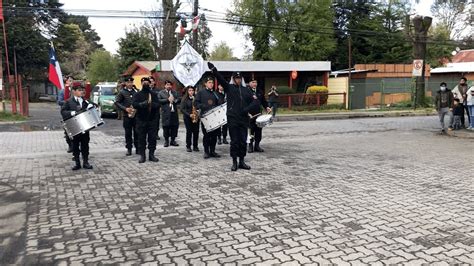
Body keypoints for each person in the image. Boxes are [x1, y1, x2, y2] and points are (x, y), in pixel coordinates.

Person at [208, 62, 256, 171]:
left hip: (244, 119)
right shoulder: (229, 87)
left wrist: (247, 110)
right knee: (234, 141)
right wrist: (214, 69)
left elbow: (255, 102)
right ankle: (234, 162)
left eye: (239, 78)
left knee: (243, 140)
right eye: (236, 78)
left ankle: (242, 161)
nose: (238, 80)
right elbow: (220, 79)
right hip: (232, 118)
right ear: (233, 79)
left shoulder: (246, 90)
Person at [61, 84, 95, 170]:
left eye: (83, 90)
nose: (82, 91)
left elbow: (94, 109)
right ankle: (77, 163)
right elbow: (63, 112)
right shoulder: (68, 102)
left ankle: (86, 162)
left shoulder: (86, 101)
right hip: (74, 127)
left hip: (85, 126)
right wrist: (71, 113)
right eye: (80, 90)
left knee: (85, 145)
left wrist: (92, 107)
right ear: (74, 91)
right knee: (75, 145)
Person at [132, 77, 160, 163]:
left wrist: (152, 104)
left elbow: (158, 104)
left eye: (147, 83)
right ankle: (142, 155)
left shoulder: (153, 94)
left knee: (152, 138)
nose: (146, 84)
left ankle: (151, 155)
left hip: (152, 120)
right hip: (141, 120)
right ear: (141, 84)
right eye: (144, 83)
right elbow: (134, 104)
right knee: (141, 138)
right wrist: (142, 104)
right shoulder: (137, 94)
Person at [195, 76, 221, 159]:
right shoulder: (201, 93)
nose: (211, 84)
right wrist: (203, 106)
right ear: (205, 83)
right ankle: (206, 151)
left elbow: (219, 104)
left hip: (214, 117)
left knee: (214, 135)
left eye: (212, 82)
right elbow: (195, 103)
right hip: (205, 117)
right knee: (206, 135)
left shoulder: (215, 93)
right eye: (209, 82)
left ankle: (212, 151)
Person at [114, 77, 138, 156]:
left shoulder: (136, 91)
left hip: (136, 116)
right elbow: (117, 102)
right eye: (128, 83)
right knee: (128, 133)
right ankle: (129, 149)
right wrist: (125, 108)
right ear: (125, 83)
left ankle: (138, 148)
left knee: (137, 132)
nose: (130, 84)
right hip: (126, 116)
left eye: (131, 82)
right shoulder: (122, 92)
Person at [247, 77, 271, 153]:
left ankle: (257, 146)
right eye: (253, 82)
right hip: (250, 115)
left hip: (259, 114)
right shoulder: (246, 92)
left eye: (256, 82)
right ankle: (250, 146)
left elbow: (263, 101)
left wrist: (267, 107)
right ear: (249, 83)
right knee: (251, 131)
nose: (255, 84)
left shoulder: (260, 91)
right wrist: (247, 113)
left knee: (258, 131)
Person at [158, 80, 181, 147]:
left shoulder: (174, 92)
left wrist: (174, 100)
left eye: (170, 85)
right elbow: (159, 100)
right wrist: (167, 100)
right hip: (165, 113)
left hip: (174, 113)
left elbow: (179, 99)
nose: (169, 86)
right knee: (166, 127)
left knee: (174, 126)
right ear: (165, 85)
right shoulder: (161, 93)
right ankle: (166, 141)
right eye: (167, 85)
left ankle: (173, 140)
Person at [180, 86, 200, 152]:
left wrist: (198, 111)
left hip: (195, 117)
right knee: (189, 132)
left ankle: (195, 146)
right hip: (188, 118)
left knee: (196, 132)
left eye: (192, 90)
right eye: (190, 90)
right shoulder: (184, 99)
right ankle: (188, 146)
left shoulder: (196, 98)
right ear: (187, 91)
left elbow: (199, 106)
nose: (191, 92)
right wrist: (189, 115)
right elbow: (182, 109)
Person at [57, 88, 72, 153]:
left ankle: (76, 147)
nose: (71, 82)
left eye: (72, 80)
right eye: (70, 80)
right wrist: (68, 101)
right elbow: (59, 101)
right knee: (68, 131)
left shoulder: (76, 91)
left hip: (76, 114)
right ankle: (70, 145)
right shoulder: (62, 91)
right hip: (66, 114)